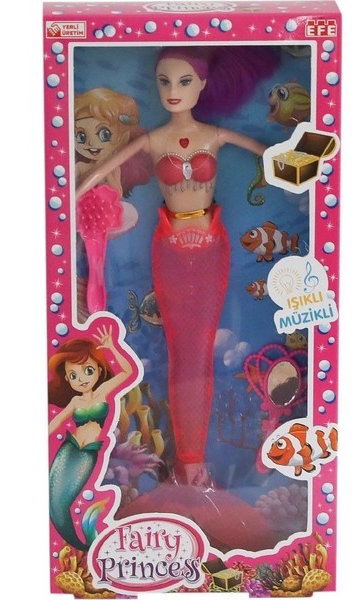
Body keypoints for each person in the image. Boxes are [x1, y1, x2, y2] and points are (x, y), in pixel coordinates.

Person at [76, 46, 279, 488]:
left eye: (184, 81)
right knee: (179, 350)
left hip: (211, 247)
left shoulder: (214, 135)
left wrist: (310, 164)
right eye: (164, 81)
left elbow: (270, 155)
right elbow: (98, 172)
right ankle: (187, 462)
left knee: (201, 349)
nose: (172, 90)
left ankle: (195, 461)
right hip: (168, 248)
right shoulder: (153, 140)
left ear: (203, 84)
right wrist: (69, 196)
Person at [48, 325, 135, 550]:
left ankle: (84, 543)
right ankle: (76, 545)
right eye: (73, 376)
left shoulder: (102, 392)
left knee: (66, 500)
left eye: (87, 370)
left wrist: (112, 347)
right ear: (68, 379)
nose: (81, 379)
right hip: (70, 447)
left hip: (88, 453)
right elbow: (57, 422)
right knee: (53, 498)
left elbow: (128, 372)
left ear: (98, 368)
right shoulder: (75, 401)